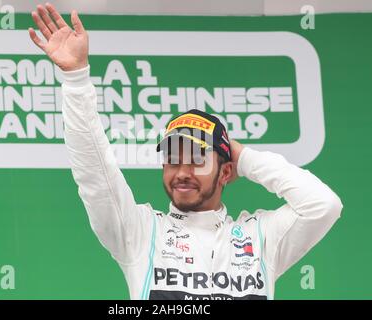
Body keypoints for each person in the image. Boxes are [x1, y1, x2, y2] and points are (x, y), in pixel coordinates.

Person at [29, 3, 343, 300]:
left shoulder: (260, 238)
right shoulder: (140, 232)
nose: (181, 172)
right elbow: (95, 173)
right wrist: (75, 79)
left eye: (195, 160)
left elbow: (323, 205)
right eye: (172, 160)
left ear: (226, 172)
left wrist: (243, 157)